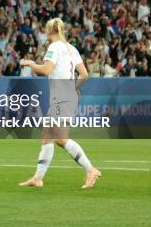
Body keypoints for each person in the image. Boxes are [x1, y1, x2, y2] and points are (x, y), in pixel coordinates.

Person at [19, 18, 101, 189]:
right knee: (47, 137)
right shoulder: (72, 49)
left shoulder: (54, 47)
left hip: (61, 96)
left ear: (49, 31)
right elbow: (84, 74)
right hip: (66, 94)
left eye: (46, 31)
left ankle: (91, 169)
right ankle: (38, 178)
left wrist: (31, 64)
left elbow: (46, 70)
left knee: (61, 139)